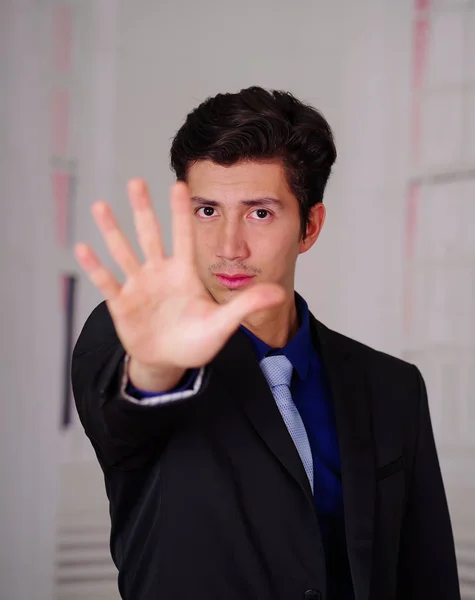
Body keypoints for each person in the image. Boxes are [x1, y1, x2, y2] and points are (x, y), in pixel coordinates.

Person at [72, 86, 460, 600]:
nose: (229, 247)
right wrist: (154, 370)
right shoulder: (132, 338)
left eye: (260, 213)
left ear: (309, 226)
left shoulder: (392, 387)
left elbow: (425, 575)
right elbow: (123, 417)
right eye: (207, 211)